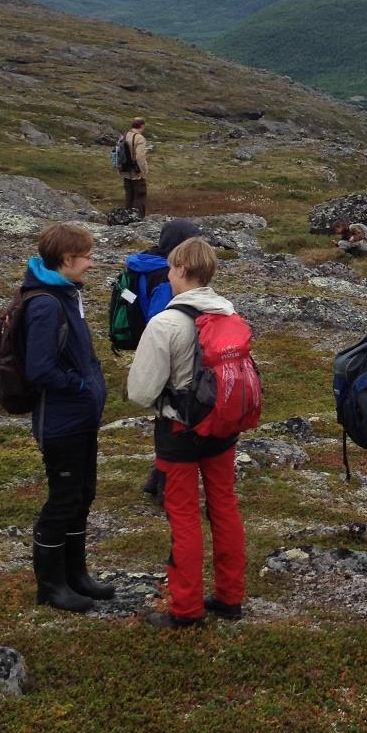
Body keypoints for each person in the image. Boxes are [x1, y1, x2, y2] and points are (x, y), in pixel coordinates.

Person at [127, 237, 246, 628]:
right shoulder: (230, 316)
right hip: (222, 427)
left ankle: (186, 609)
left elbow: (140, 392)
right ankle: (230, 597)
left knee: (183, 515)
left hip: (178, 431)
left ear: (179, 270)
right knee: (224, 507)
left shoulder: (166, 323)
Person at [24, 223, 111, 612]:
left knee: (82, 494)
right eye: (87, 257)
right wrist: (79, 387)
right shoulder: (46, 304)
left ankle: (77, 575)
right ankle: (51, 586)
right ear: (66, 259)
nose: (92, 264)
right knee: (62, 500)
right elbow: (38, 369)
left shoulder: (66, 294)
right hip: (61, 423)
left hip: (80, 419)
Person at [122, 217, 202, 505]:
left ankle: (156, 478)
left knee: (164, 417)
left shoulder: (145, 262)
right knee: (172, 417)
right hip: (165, 348)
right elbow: (162, 318)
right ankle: (164, 486)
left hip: (152, 342)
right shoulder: (167, 276)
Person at [119, 115, 149, 218]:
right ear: (142, 126)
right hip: (137, 174)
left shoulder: (124, 135)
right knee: (139, 197)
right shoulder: (139, 138)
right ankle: (137, 219)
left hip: (125, 172)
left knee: (129, 197)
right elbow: (140, 157)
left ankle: (126, 218)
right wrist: (143, 172)